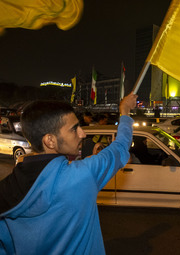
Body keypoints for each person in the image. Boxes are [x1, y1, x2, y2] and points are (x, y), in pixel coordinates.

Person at [0, 92, 137, 255]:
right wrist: (125, 111)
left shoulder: (6, 189)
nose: (83, 134)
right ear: (49, 140)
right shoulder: (83, 175)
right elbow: (120, 146)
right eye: (74, 129)